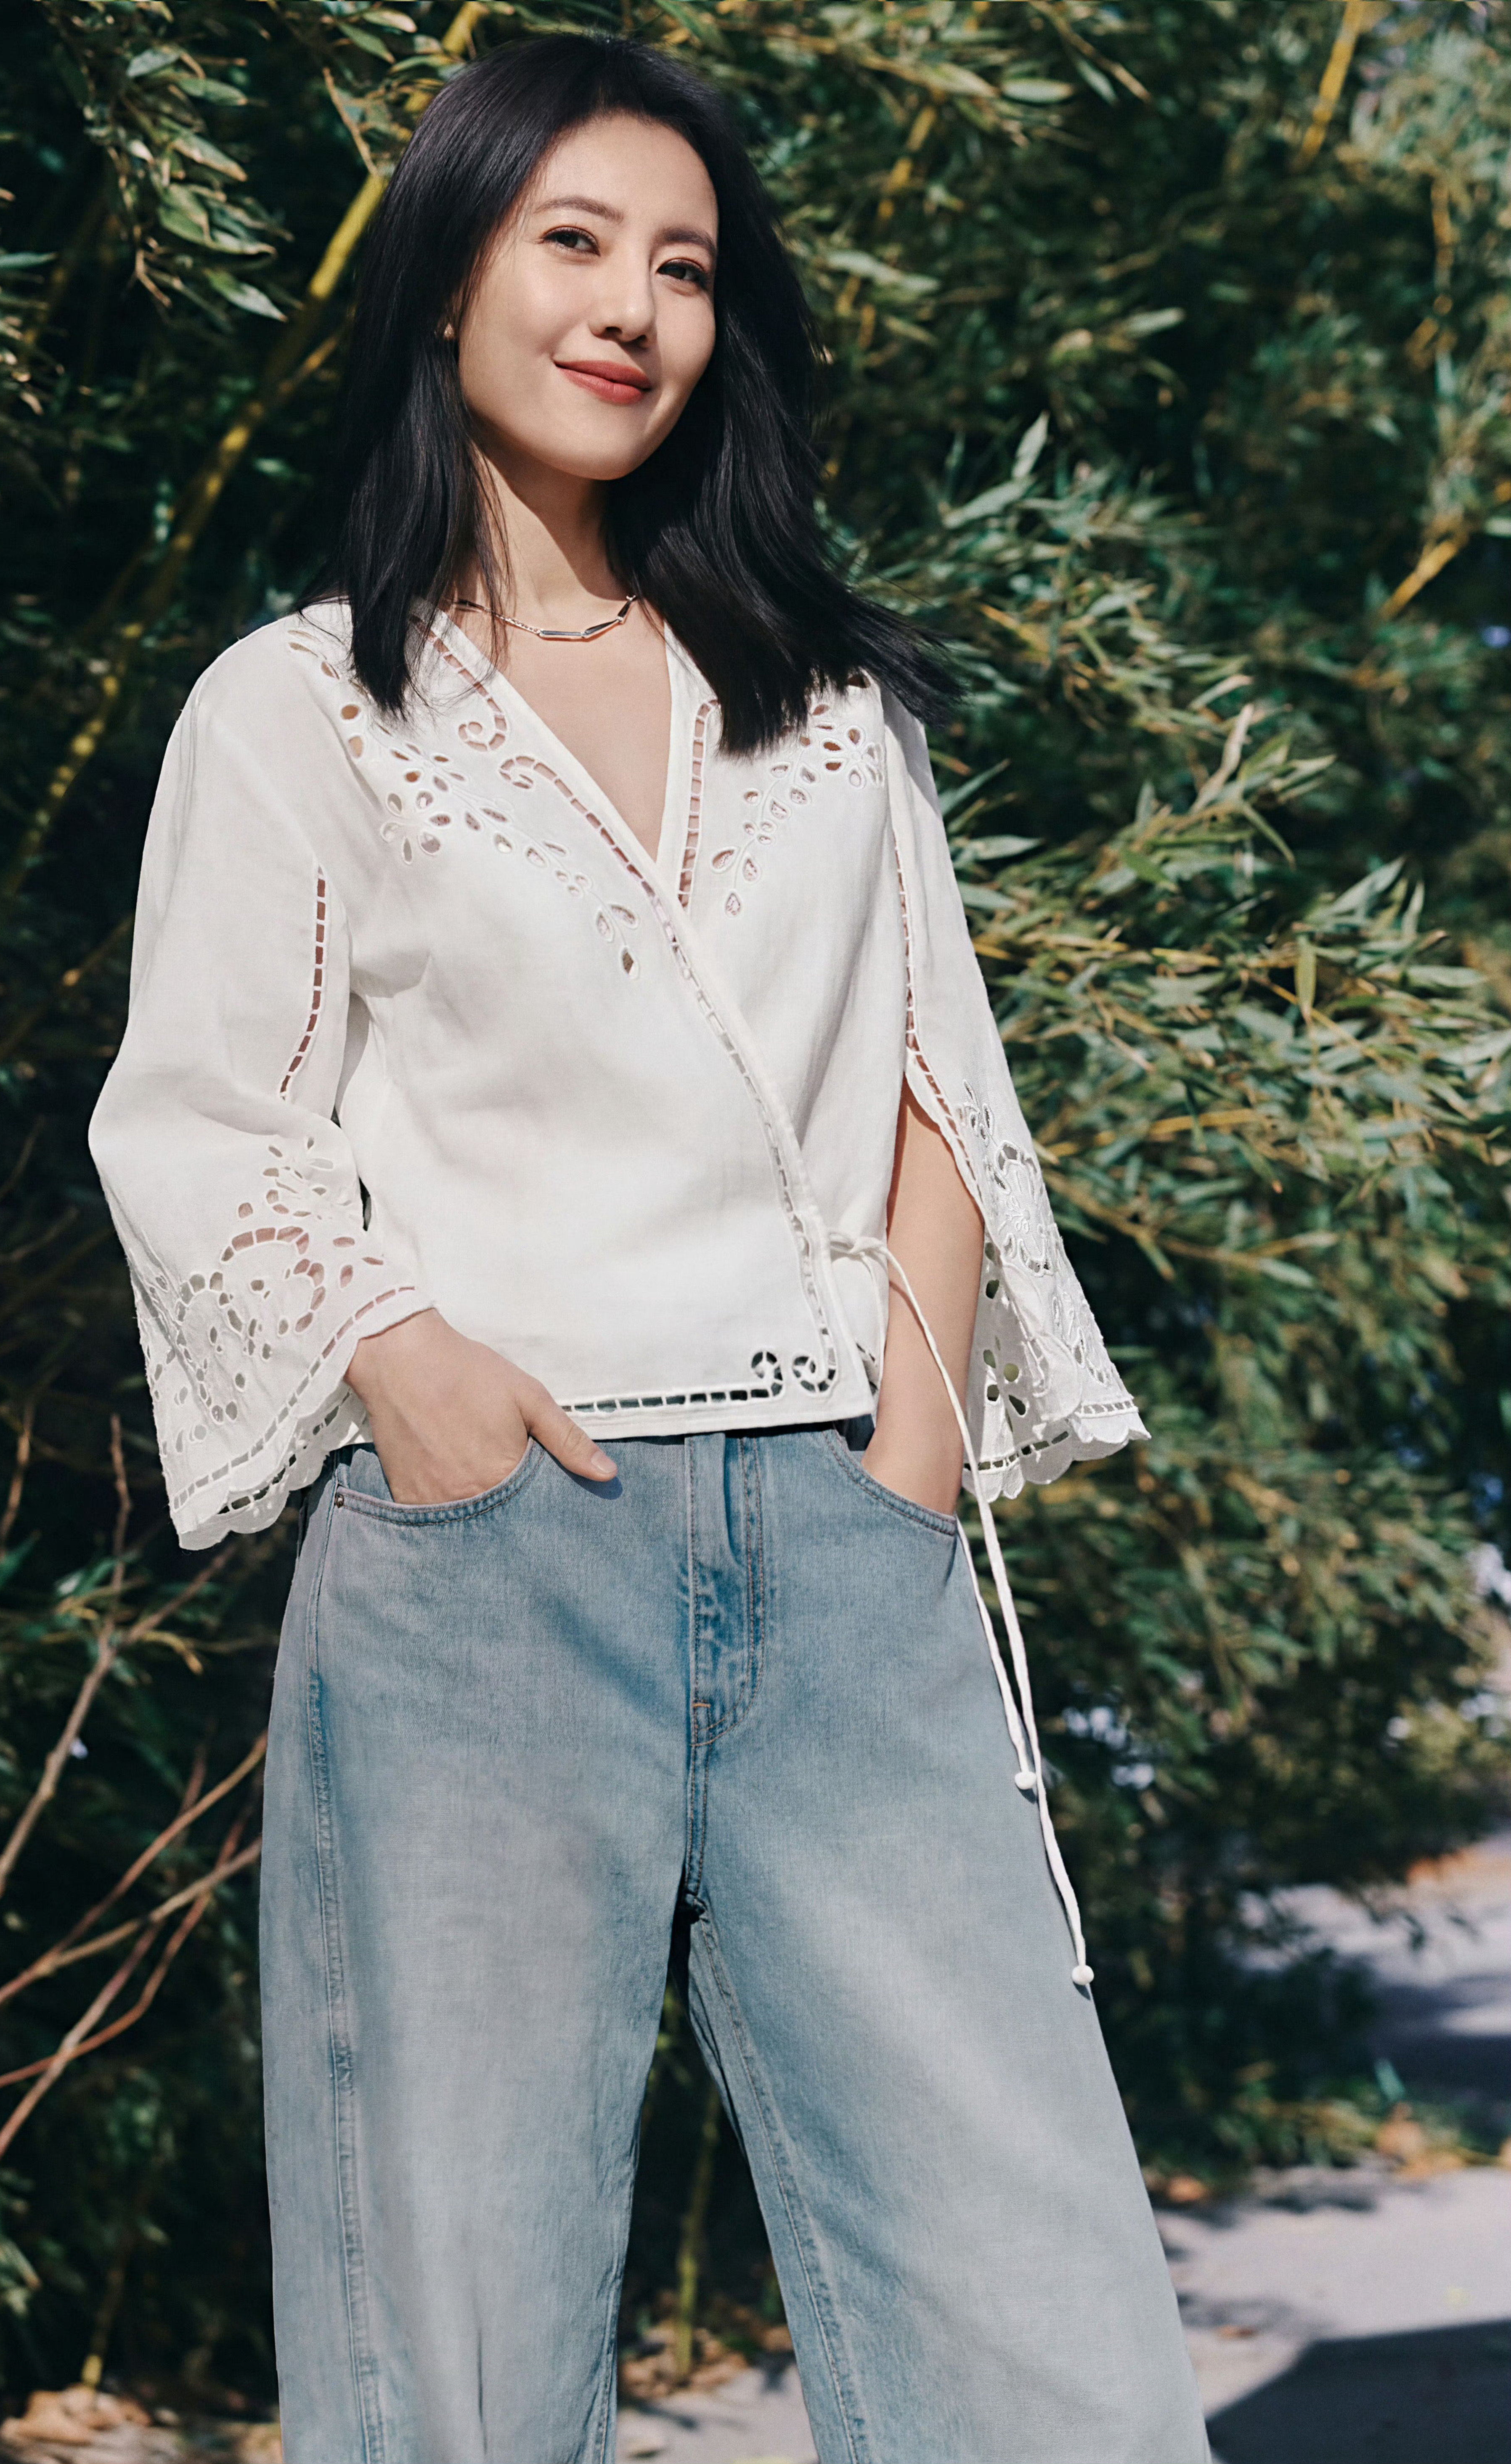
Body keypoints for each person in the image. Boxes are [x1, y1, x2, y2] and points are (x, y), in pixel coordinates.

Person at [89, 34, 1209, 2464]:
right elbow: (200, 1119)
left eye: (683, 266)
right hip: (493, 1557)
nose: (630, 307)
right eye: (573, 242)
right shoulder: (303, 709)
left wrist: (905, 1457)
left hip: (844, 1537)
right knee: (462, 2358)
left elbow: (935, 1093)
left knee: (1050, 2345)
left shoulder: (824, 707)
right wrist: (408, 1368)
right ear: (447, 277)